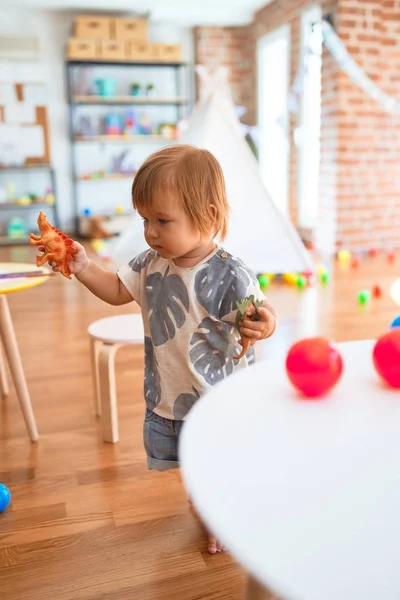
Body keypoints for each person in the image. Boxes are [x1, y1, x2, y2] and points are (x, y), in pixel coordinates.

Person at [45, 145, 278, 553]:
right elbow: (118, 290)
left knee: (221, 463)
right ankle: (206, 498)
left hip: (218, 399)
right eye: (145, 220)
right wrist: (83, 267)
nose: (150, 232)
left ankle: (218, 513)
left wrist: (265, 323)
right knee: (193, 463)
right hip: (171, 395)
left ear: (206, 215)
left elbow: (259, 314)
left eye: (162, 220)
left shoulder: (229, 273)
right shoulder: (149, 263)